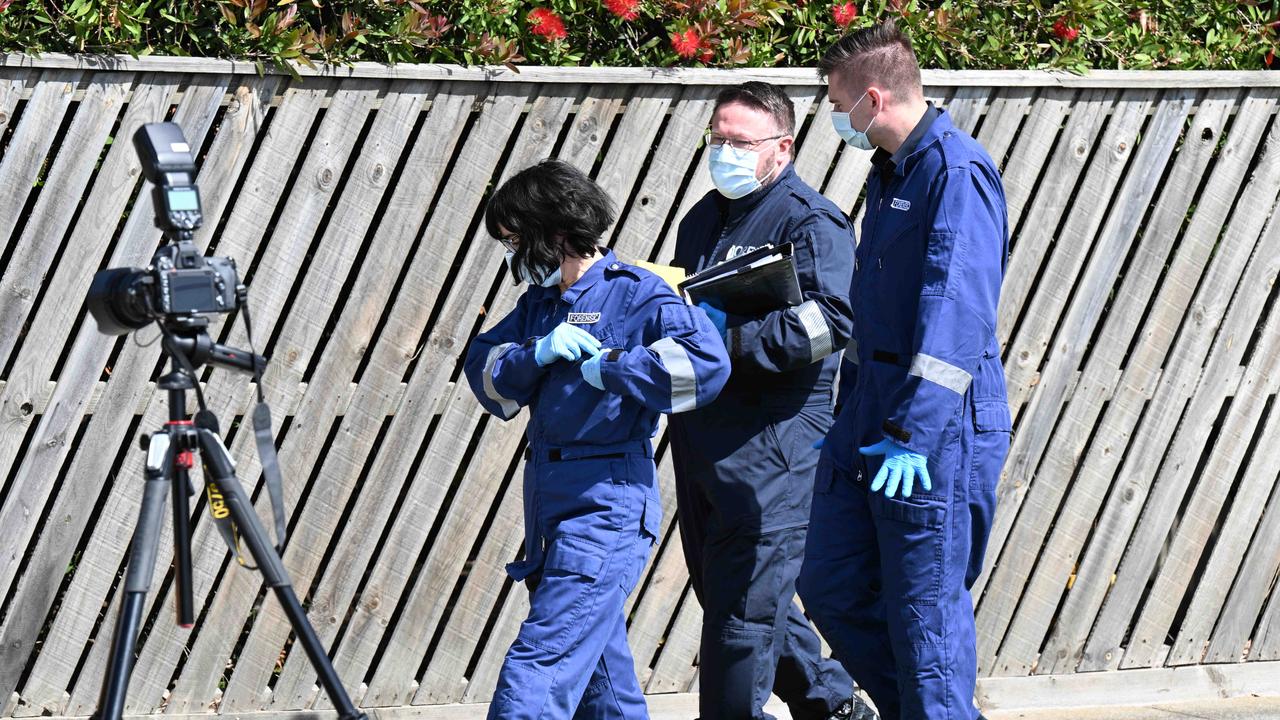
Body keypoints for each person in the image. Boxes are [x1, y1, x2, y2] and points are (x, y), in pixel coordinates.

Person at [796, 20, 1013, 720]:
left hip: (933, 431)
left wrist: (916, 432)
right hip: (870, 416)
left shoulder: (956, 171)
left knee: (925, 618)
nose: (836, 119)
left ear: (873, 99)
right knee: (828, 580)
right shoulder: (893, 171)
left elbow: (958, 314)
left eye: (837, 102)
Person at [463, 159, 732, 719]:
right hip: (548, 496)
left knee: (539, 665)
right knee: (602, 686)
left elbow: (707, 366)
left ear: (556, 232)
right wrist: (533, 353)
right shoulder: (537, 305)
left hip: (607, 501)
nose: (512, 257)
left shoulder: (638, 294)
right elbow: (484, 368)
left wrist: (613, 366)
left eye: (515, 241)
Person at [668, 81, 874, 720]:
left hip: (776, 444)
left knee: (742, 616)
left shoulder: (810, 222)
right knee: (731, 592)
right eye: (717, 138)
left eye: (739, 141)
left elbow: (833, 323)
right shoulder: (703, 217)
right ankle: (833, 704)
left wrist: (725, 340)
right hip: (704, 438)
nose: (724, 151)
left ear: (781, 149)